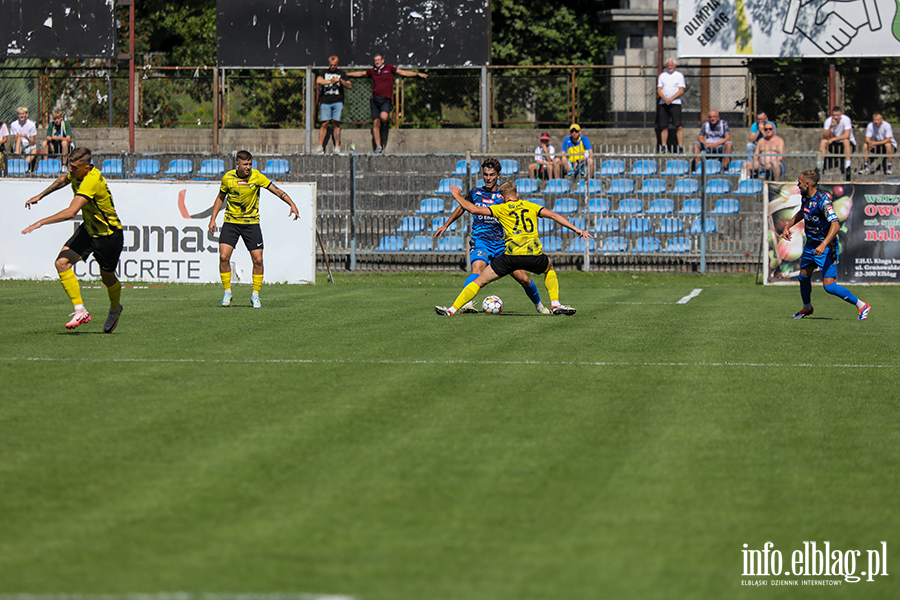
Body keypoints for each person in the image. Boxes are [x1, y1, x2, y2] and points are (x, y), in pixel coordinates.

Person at [435, 181, 592, 316]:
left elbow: (474, 210)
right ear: (517, 194)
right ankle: (555, 304)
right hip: (534, 256)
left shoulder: (501, 208)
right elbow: (554, 216)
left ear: (502, 198)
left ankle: (451, 310)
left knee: (481, 280)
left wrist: (457, 196)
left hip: (511, 257)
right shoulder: (531, 206)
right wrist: (577, 230)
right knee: (549, 267)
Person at [20, 147, 125, 332]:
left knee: (107, 279)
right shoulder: (77, 174)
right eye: (70, 165)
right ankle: (80, 310)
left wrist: (40, 222)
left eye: (74, 167)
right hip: (89, 230)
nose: (70, 170)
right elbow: (62, 180)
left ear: (86, 167)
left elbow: (71, 212)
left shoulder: (91, 181)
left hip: (108, 235)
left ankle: (115, 309)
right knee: (61, 263)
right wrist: (41, 195)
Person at [433, 157, 550, 314]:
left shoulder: (504, 196)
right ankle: (467, 304)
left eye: (492, 175)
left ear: (498, 176)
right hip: (481, 240)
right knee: (478, 269)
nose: (488, 178)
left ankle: (539, 305)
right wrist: (446, 225)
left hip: (502, 243)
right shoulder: (475, 193)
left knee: (523, 278)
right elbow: (463, 207)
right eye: (486, 174)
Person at [208, 150, 300, 309]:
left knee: (258, 260)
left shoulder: (257, 177)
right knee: (224, 257)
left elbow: (276, 190)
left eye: (250, 164)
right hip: (231, 222)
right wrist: (212, 218)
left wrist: (291, 204)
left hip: (251, 224)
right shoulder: (228, 178)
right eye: (245, 164)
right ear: (237, 164)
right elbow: (220, 198)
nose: (248, 167)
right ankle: (227, 292)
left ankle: (255, 295)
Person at [781, 169, 869, 321]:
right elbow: (803, 212)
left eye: (800, 183)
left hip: (827, 248)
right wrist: (787, 226)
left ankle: (861, 305)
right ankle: (807, 308)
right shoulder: (805, 197)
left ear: (808, 184)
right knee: (803, 277)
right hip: (810, 246)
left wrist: (823, 245)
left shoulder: (823, 201)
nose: (798, 185)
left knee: (829, 287)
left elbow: (835, 225)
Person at [346, 54, 427, 153]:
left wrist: (417, 74)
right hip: (375, 99)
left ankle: (385, 123)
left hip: (386, 99)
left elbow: (403, 72)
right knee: (375, 122)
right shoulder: (372, 71)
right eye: (375, 60)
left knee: (384, 117)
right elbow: (361, 74)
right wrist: (346, 74)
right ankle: (378, 147)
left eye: (379, 60)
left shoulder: (389, 68)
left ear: (383, 60)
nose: (377, 62)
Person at [315, 55, 352, 155]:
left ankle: (337, 147)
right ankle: (320, 147)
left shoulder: (341, 74)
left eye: (334, 65)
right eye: (331, 65)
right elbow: (318, 80)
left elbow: (349, 85)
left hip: (337, 101)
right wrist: (331, 81)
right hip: (325, 101)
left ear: (337, 64)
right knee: (324, 123)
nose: (333, 67)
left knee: (336, 123)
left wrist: (340, 81)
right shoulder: (324, 72)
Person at [656, 59, 686, 152]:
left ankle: (680, 146)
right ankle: (664, 146)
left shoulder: (679, 75)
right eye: (668, 65)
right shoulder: (662, 76)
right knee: (664, 126)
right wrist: (665, 99)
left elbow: (681, 90)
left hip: (675, 103)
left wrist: (671, 98)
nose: (670, 66)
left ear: (675, 66)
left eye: (672, 65)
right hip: (663, 103)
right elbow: (659, 89)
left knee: (678, 126)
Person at [817, 106, 855, 176]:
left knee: (846, 141)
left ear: (841, 115)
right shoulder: (828, 121)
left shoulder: (846, 120)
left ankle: (847, 167)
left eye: (837, 115)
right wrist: (830, 127)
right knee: (823, 142)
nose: (836, 117)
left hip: (848, 143)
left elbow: (846, 135)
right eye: (834, 115)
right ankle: (820, 167)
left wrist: (833, 139)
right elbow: (825, 135)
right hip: (835, 143)